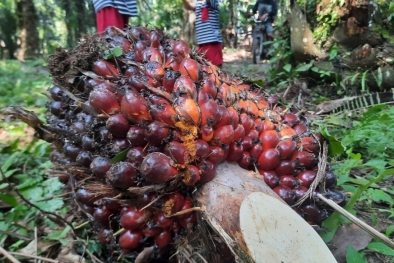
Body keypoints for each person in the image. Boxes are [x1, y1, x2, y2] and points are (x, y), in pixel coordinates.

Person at [182, 0, 223, 67]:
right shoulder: (198, 2)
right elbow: (189, 7)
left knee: (215, 66)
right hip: (201, 41)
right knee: (203, 66)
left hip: (212, 41)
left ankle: (219, 77)